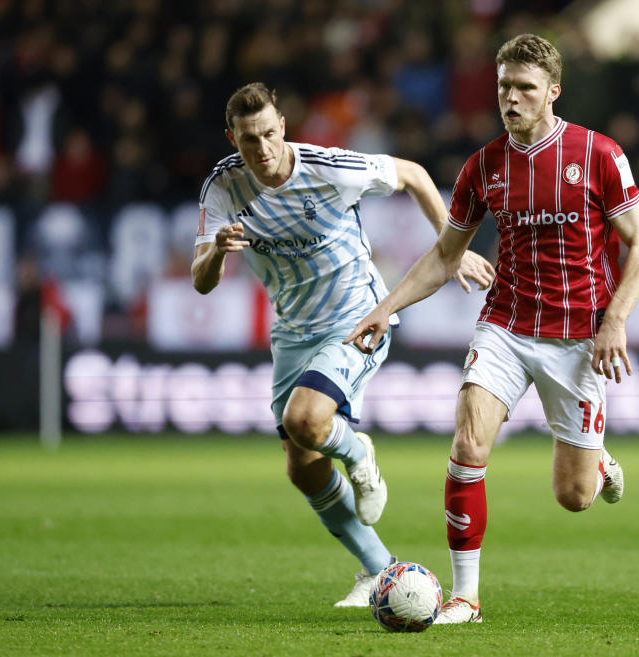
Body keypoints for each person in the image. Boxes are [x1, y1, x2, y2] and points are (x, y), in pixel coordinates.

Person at [346, 34, 639, 623]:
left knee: (573, 497)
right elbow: (445, 257)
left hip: (578, 337)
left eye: (525, 89)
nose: (512, 99)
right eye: (504, 87)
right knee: (467, 444)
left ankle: (597, 464)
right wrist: (388, 307)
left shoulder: (597, 154)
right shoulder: (483, 166)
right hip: (507, 325)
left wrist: (615, 318)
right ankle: (465, 597)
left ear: (553, 93)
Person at [191, 82, 494, 607]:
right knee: (302, 466)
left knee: (305, 420)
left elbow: (414, 175)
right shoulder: (223, 186)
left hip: (357, 317)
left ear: (282, 126)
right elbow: (201, 281)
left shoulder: (329, 167)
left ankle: (359, 452)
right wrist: (218, 251)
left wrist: (452, 248)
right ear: (231, 138)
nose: (261, 150)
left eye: (268, 134)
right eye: (247, 140)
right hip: (292, 331)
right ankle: (379, 570)